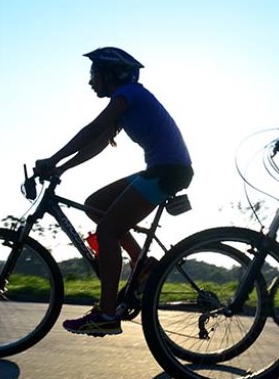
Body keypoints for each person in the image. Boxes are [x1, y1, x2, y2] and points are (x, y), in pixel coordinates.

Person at [34, 47, 193, 336]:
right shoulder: (128, 100)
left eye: (94, 74)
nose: (90, 81)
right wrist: (62, 168)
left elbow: (92, 129)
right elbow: (98, 142)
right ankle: (141, 263)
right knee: (95, 205)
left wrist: (52, 159)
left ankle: (107, 313)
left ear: (111, 75)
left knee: (107, 231)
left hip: (168, 171)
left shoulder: (129, 94)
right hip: (163, 168)